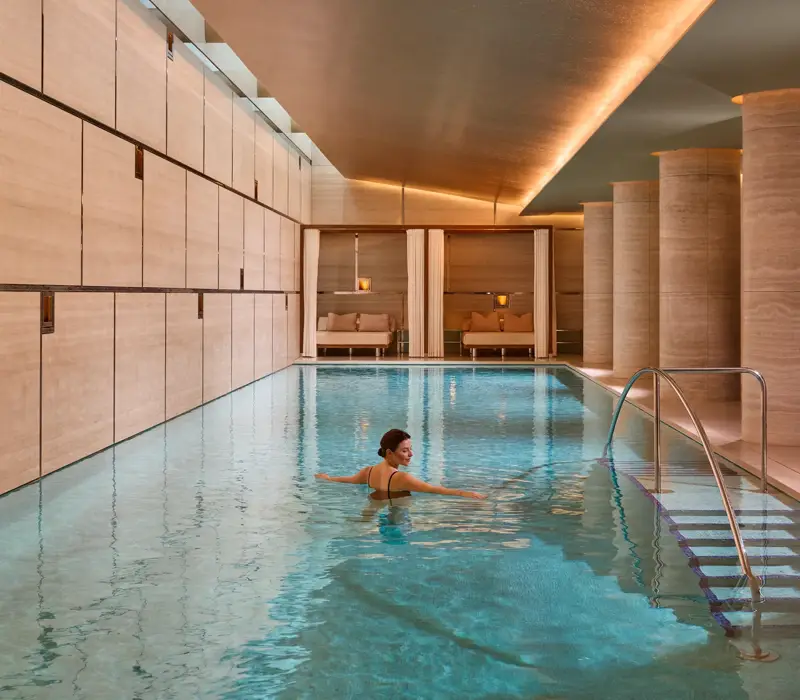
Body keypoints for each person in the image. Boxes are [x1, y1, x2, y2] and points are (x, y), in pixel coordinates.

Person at [315, 429, 487, 500]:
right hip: (395, 522)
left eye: (410, 449)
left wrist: (328, 478)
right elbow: (434, 490)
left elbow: (349, 480)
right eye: (405, 451)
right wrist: (467, 493)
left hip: (377, 514)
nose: (411, 454)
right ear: (390, 453)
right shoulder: (401, 478)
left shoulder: (368, 472)